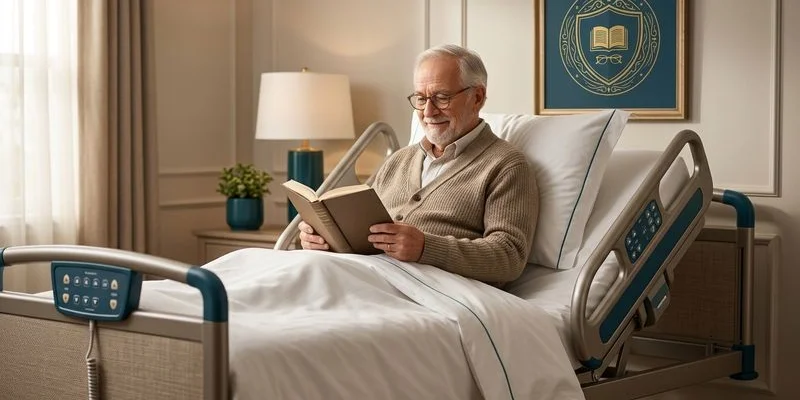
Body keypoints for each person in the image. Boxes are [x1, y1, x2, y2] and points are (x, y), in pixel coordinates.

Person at [299, 44, 538, 286]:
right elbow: (363, 234)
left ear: (477, 97)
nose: (428, 111)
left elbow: (510, 256)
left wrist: (426, 247)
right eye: (421, 99)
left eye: (442, 98)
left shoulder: (506, 166)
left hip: (425, 288)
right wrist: (325, 240)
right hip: (364, 275)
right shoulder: (398, 160)